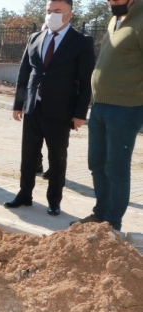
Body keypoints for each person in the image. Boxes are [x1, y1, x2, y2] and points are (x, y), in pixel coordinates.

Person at [5, 0, 95, 216]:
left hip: (60, 111)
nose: (52, 15)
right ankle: (24, 194)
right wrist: (18, 104)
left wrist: (80, 114)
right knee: (28, 155)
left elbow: (86, 81)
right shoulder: (35, 38)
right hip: (33, 108)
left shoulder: (81, 41)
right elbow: (24, 74)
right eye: (49, 11)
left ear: (69, 14)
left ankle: (54, 200)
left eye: (57, 11)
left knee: (57, 158)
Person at [71, 0, 143, 231]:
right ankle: (100, 214)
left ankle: (112, 224)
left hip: (126, 109)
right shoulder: (115, 19)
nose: (111, 1)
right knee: (97, 163)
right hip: (100, 106)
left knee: (116, 167)